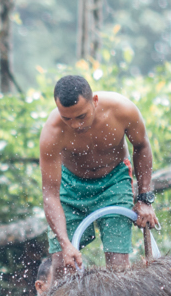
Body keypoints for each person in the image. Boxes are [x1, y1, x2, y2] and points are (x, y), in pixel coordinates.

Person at [39, 74, 157, 278]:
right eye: (67, 118)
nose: (75, 125)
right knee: (61, 265)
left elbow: (141, 146)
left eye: (81, 116)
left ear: (94, 101)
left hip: (114, 181)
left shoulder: (122, 110)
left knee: (118, 268)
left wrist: (144, 198)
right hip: (71, 187)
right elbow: (50, 194)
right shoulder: (52, 131)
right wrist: (66, 244)